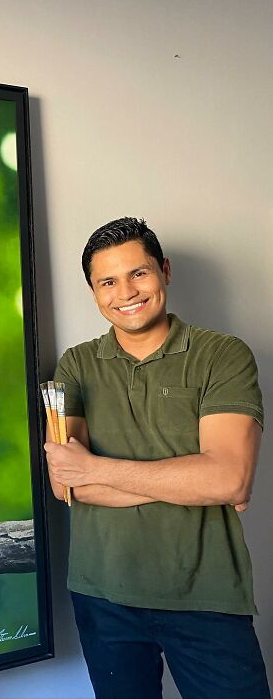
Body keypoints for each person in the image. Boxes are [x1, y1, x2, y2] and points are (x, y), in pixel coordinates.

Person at [44, 217, 269, 699]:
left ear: (164, 271)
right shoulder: (76, 365)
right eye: (108, 281)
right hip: (103, 595)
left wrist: (97, 468)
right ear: (93, 291)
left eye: (138, 273)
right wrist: (190, 480)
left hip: (205, 593)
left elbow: (230, 479)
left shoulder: (222, 355)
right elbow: (66, 484)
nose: (125, 291)